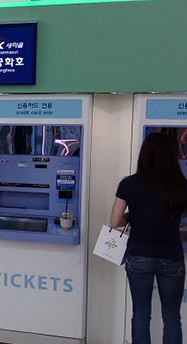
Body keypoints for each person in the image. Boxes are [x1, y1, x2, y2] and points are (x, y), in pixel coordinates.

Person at [110, 132, 187, 344]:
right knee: (172, 316)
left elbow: (115, 221)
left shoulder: (129, 184)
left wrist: (132, 216)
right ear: (172, 156)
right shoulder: (181, 185)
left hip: (139, 256)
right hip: (172, 256)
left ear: (144, 155)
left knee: (141, 314)